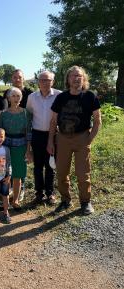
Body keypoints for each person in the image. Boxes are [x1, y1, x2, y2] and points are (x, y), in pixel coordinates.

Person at [47, 66, 102, 215]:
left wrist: (89, 138)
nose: (76, 78)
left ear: (83, 79)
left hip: (82, 137)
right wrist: (50, 142)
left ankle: (85, 202)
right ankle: (65, 201)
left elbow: (97, 120)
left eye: (79, 76)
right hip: (63, 138)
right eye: (73, 76)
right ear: (68, 79)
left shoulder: (90, 96)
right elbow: (53, 121)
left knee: (83, 173)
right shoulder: (61, 97)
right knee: (61, 173)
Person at [26, 71, 62, 207]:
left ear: (53, 81)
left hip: (53, 135)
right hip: (37, 135)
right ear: (38, 82)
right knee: (38, 166)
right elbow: (29, 117)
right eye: (42, 80)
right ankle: (38, 194)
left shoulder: (59, 95)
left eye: (48, 80)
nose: (45, 82)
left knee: (50, 165)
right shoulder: (32, 97)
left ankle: (50, 193)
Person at [0, 87, 33, 210]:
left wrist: (28, 150)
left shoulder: (26, 113)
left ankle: (16, 200)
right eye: (13, 96)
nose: (16, 98)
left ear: (21, 98)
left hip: (21, 146)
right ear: (9, 98)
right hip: (5, 147)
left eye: (18, 96)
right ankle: (4, 199)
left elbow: (29, 133)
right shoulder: (3, 114)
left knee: (17, 174)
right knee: (3, 174)